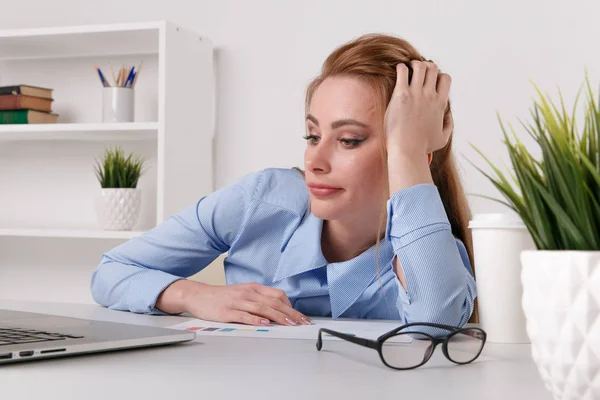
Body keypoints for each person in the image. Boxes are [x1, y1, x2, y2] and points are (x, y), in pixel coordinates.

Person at [90, 33, 477, 332]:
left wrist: (408, 154)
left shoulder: (429, 253)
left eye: (349, 140)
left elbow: (436, 323)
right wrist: (194, 295)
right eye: (312, 136)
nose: (314, 160)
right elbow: (110, 272)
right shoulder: (261, 201)